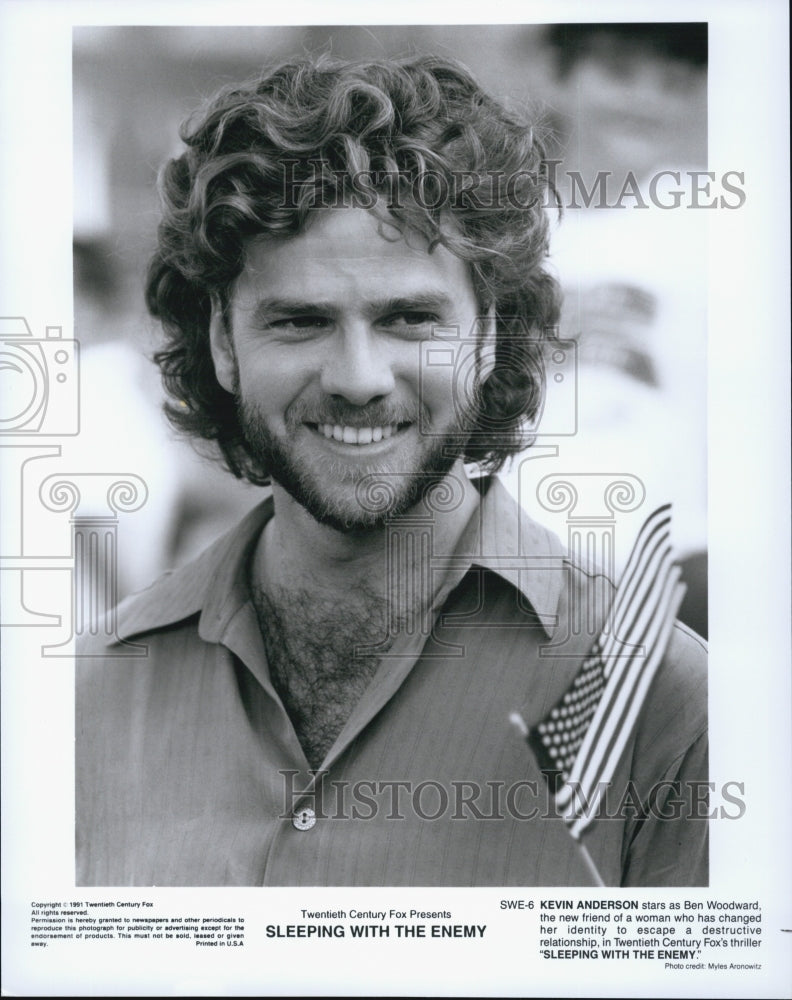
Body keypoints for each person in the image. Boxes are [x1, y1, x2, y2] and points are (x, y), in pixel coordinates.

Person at [76, 54, 707, 887]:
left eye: (410, 318)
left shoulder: (666, 700)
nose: (359, 377)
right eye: (299, 322)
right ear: (224, 346)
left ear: (490, 338)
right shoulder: (86, 698)